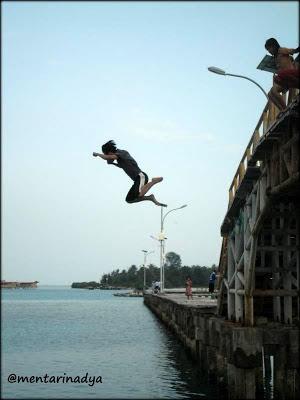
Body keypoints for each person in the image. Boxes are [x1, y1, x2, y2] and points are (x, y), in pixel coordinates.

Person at [93, 140, 167, 207]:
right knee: (130, 199)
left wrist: (98, 154)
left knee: (139, 194)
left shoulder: (122, 152)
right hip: (136, 179)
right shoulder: (119, 159)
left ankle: (154, 181)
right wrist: (111, 162)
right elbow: (111, 160)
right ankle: (150, 197)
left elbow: (109, 157)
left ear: (109, 153)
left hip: (141, 176)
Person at [264, 38, 300, 118]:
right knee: (270, 94)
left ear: (274, 46)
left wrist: (297, 49)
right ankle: (283, 109)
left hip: (290, 74)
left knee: (274, 88)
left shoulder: (281, 50)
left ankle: (286, 108)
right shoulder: (275, 57)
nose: (269, 51)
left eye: (269, 49)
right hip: (284, 78)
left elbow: (292, 51)